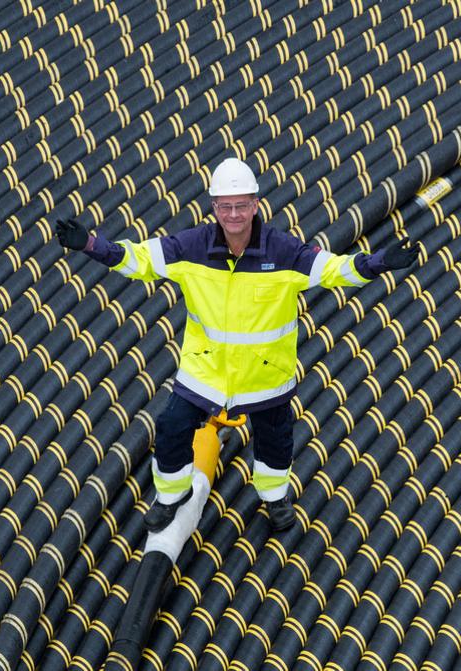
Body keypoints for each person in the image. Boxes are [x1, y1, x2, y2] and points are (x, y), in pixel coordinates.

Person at [56, 157, 418, 532]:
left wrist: (376, 263)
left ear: (256, 205)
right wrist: (91, 245)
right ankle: (171, 496)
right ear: (214, 208)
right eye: (225, 206)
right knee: (172, 427)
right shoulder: (190, 247)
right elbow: (138, 260)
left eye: (241, 205)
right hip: (205, 372)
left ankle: (275, 497)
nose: (233, 214)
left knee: (275, 439)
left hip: (264, 376)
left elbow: (330, 269)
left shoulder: (283, 252)